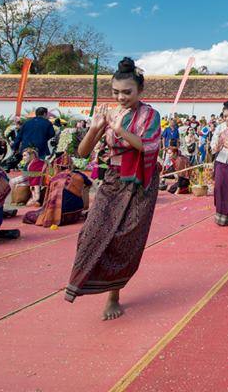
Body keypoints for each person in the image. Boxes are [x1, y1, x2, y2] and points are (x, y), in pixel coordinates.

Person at [65, 57, 162, 321]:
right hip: (113, 179)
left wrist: (120, 129)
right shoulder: (107, 113)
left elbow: (149, 147)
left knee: (124, 238)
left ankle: (113, 295)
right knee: (92, 232)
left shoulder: (150, 115)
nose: (121, 97)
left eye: (127, 92)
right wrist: (96, 128)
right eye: (116, 92)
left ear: (140, 92)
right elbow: (83, 153)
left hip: (141, 182)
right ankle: (85, 280)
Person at [24, 132, 91, 227]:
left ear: (57, 166)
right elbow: (89, 184)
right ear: (71, 164)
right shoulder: (79, 175)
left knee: (29, 215)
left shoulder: (54, 179)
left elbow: (48, 199)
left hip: (60, 215)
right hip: (76, 214)